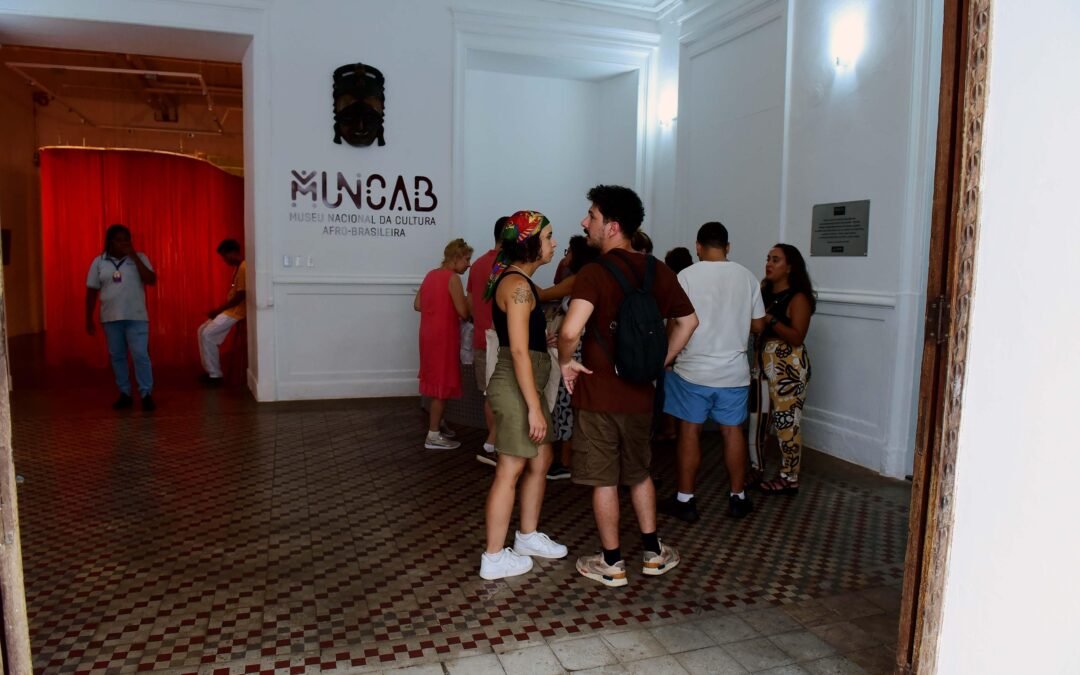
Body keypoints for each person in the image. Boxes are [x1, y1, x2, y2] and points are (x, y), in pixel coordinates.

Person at [558, 185, 698, 588]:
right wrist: (659, 361)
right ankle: (653, 553)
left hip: (598, 393)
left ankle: (612, 562)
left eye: (592, 216)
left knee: (605, 479)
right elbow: (689, 322)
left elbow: (569, 330)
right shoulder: (659, 270)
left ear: (612, 226)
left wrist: (566, 361)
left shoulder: (594, 273)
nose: (585, 222)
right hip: (640, 394)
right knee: (639, 473)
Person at [480, 211, 568, 579]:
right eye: (548, 237)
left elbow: (522, 342)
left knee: (542, 458)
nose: (554, 243)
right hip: (518, 388)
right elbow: (517, 352)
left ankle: (527, 537)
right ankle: (493, 557)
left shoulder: (522, 283)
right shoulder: (517, 286)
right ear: (530, 244)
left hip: (527, 385)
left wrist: (540, 340)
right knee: (511, 467)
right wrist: (534, 407)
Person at [660, 222, 765, 522]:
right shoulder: (747, 277)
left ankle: (686, 499)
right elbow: (759, 324)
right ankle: (738, 497)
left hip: (692, 370)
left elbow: (675, 322)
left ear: (698, 246)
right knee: (732, 432)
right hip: (733, 372)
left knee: (689, 431)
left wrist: (667, 356)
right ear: (727, 246)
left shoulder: (686, 276)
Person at [753, 244, 816, 495]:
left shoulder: (798, 298)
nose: (769, 264)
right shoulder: (764, 292)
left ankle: (789, 477)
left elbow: (797, 336)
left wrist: (771, 319)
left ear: (789, 267)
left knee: (786, 421)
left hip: (788, 365)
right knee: (758, 418)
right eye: (768, 258)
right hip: (762, 362)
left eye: (776, 260)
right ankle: (755, 468)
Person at [538, 235, 599, 480]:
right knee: (568, 403)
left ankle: (564, 461)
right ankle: (568, 458)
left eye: (569, 251)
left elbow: (543, 295)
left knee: (565, 402)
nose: (566, 255)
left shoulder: (578, 279)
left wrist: (519, 273)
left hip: (575, 350)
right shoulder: (586, 277)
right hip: (578, 347)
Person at [85, 224, 158, 411]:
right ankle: (125, 393)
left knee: (140, 355)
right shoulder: (99, 262)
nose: (124, 243)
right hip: (110, 318)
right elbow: (91, 291)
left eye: (127, 239)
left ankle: (146, 394)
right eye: (119, 240)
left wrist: (134, 256)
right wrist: (88, 318)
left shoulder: (140, 257)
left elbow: (151, 280)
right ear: (110, 241)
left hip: (136, 316)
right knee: (117, 356)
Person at [415, 238, 473, 449]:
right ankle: (433, 435)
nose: (468, 264)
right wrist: (469, 301)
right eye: (467, 259)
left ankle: (437, 423)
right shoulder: (453, 279)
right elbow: (463, 312)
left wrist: (437, 307)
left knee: (434, 380)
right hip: (444, 336)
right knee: (441, 383)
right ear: (456, 258)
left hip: (428, 334)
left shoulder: (431, 274)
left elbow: (417, 304)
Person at [467, 217, 509, 466]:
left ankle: (492, 445)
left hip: (481, 339)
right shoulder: (507, 266)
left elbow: (470, 303)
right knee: (500, 396)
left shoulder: (478, 265)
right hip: (501, 342)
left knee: (489, 395)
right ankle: (493, 446)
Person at [197, 239, 246, 385]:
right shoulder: (238, 268)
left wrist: (219, 310)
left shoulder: (244, 267)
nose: (224, 260)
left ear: (233, 252)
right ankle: (210, 371)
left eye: (225, 256)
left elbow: (241, 296)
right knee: (201, 330)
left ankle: (215, 375)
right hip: (231, 310)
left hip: (237, 311)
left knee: (207, 334)